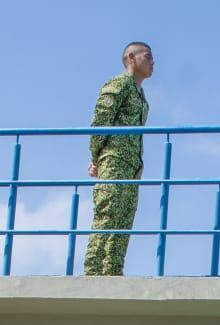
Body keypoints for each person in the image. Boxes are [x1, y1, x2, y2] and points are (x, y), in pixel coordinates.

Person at [83, 41, 152, 276]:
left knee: (124, 220)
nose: (153, 63)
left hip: (132, 167)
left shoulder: (141, 95)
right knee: (108, 214)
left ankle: (112, 271)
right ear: (131, 58)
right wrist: (97, 159)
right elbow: (100, 123)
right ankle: (94, 272)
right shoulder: (119, 84)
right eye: (147, 57)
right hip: (114, 161)